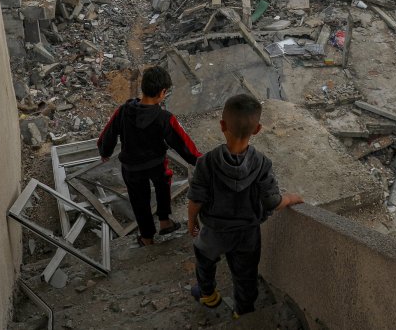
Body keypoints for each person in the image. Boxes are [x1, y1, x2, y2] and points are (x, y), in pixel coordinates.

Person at [186, 94, 303, 317]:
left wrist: (192, 222)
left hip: (213, 231)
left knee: (205, 261)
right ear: (257, 129)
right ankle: (243, 311)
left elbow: (195, 200)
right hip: (248, 234)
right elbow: (272, 201)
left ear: (222, 125)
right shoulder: (262, 164)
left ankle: (208, 295)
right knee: (246, 274)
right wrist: (289, 198)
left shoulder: (206, 163)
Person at [97, 66, 201, 246]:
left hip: (131, 167)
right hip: (157, 164)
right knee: (162, 187)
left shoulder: (123, 111)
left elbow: (108, 133)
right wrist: (200, 161)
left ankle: (146, 237)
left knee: (139, 200)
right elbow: (183, 144)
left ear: (143, 88)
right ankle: (164, 221)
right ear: (162, 92)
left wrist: (105, 151)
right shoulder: (165, 118)